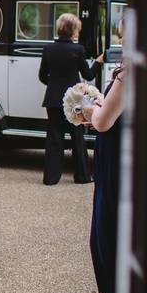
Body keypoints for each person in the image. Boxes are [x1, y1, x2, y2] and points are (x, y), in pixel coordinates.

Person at [80, 15, 125, 293]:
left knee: (105, 242)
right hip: (131, 156)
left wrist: (91, 110)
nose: (121, 42)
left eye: (124, 36)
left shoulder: (133, 70)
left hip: (117, 159)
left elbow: (106, 121)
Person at [38, 12, 103, 185]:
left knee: (54, 138)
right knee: (77, 138)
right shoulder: (78, 50)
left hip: (52, 99)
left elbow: (42, 76)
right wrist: (98, 61)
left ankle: (50, 178)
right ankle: (81, 176)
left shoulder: (48, 49)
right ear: (73, 31)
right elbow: (88, 75)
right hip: (74, 101)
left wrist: (55, 85)